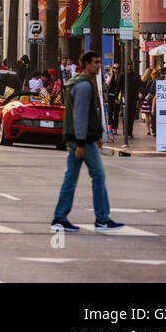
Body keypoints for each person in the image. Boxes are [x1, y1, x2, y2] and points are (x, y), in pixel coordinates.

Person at [51, 51, 122, 232]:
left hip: (82, 138)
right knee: (98, 176)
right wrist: (82, 143)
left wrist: (97, 135)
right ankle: (102, 219)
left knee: (71, 178)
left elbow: (89, 115)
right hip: (82, 140)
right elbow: (80, 116)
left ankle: (60, 217)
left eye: (99, 62)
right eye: (95, 63)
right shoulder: (84, 86)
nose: (99, 66)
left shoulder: (82, 83)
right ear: (86, 65)